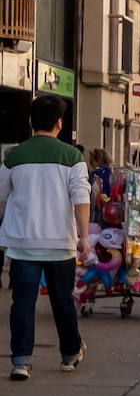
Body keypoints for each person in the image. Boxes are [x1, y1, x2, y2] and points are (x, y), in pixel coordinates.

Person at [0, 96, 90, 380]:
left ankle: (21, 361)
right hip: (59, 243)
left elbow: (1, 199)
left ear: (30, 122)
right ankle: (70, 354)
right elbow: (81, 198)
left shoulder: (13, 157)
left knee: (23, 301)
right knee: (62, 300)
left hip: (22, 242)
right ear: (59, 124)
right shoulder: (72, 156)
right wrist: (84, 236)